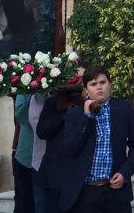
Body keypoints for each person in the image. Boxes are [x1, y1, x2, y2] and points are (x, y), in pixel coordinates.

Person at [58, 65, 134, 213]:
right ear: (86, 90)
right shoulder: (75, 113)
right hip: (85, 192)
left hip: (116, 191)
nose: (99, 87)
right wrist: (87, 117)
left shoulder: (124, 109)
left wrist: (125, 172)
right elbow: (70, 149)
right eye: (93, 84)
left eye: (102, 82)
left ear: (109, 84)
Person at [36, 84, 84, 213]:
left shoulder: (88, 104)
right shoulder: (53, 102)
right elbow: (41, 132)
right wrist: (64, 111)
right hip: (54, 175)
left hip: (80, 175)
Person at [14, 94, 36, 213]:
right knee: (26, 202)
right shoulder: (23, 94)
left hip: (48, 158)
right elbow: (21, 117)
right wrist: (30, 97)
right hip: (26, 156)